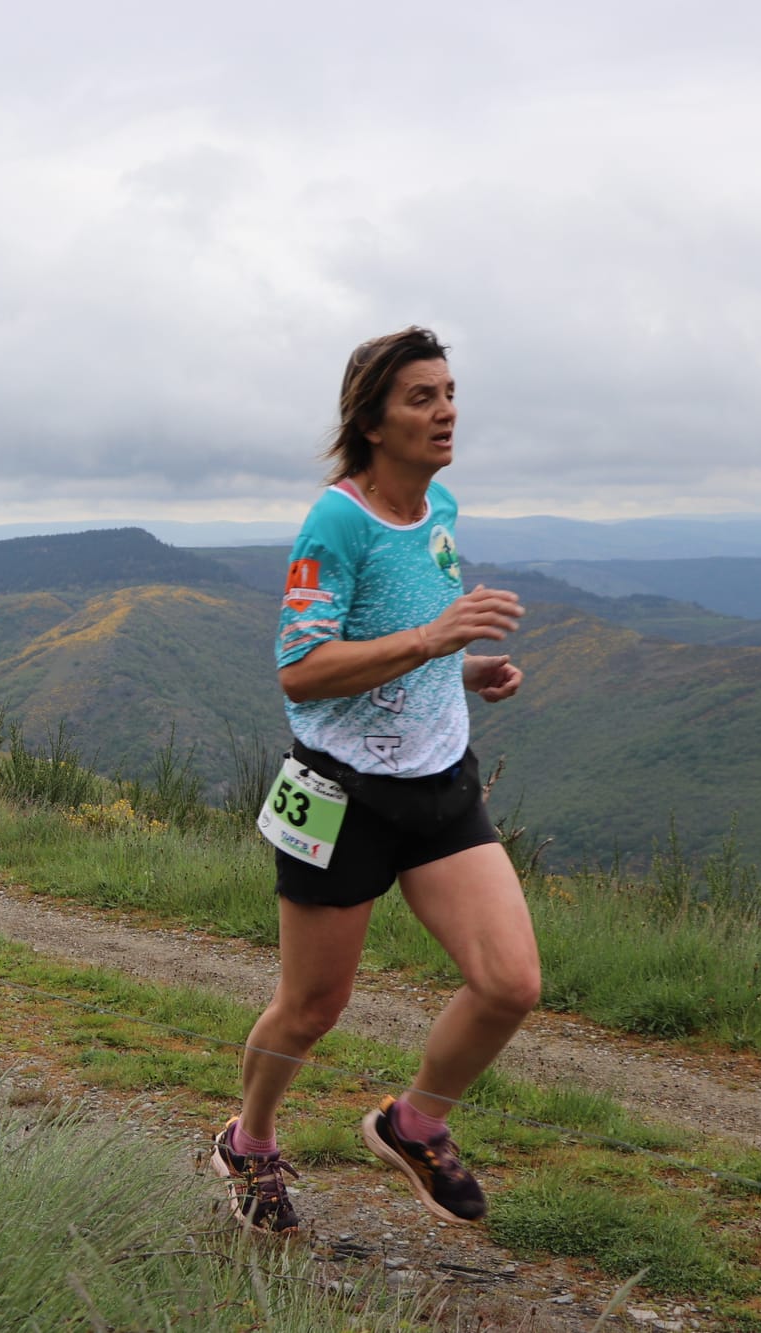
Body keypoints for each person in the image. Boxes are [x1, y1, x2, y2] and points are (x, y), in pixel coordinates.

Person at [211, 327, 538, 1235]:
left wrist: (460, 671)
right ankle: (250, 1139)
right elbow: (302, 670)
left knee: (510, 983)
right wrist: (434, 640)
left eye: (450, 392)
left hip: (440, 785)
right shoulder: (337, 522)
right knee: (313, 1006)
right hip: (341, 797)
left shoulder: (440, 509)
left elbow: (403, 642)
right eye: (421, 398)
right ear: (371, 421)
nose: (446, 411)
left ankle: (414, 1123)